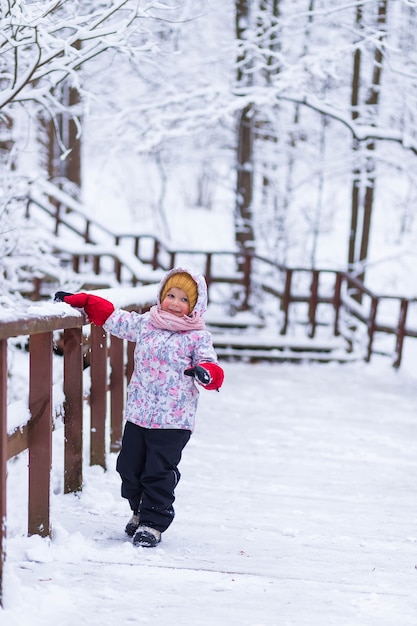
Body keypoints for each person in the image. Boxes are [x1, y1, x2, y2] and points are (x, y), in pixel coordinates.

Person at [55, 267, 224, 548]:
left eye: (184, 300)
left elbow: (212, 366)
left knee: (157, 471)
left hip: (173, 420)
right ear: (161, 295)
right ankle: (138, 510)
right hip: (139, 414)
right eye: (170, 295)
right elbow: (115, 319)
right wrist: (84, 301)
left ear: (194, 306)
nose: (174, 303)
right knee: (129, 468)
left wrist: (206, 373)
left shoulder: (197, 337)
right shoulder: (147, 323)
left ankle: (152, 524)